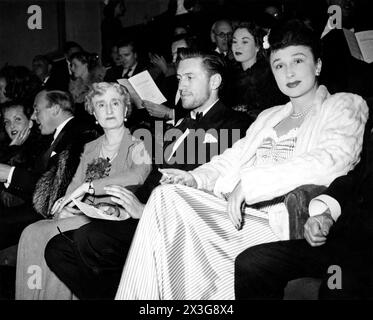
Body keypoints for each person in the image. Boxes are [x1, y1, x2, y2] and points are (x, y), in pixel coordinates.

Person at [114, 19, 368, 300]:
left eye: (298, 60)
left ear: (317, 65)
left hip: (277, 221)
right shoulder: (270, 116)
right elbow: (231, 159)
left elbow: (330, 160)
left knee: (165, 202)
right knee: (166, 194)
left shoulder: (344, 104)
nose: (289, 72)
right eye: (279, 65)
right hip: (237, 214)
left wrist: (250, 184)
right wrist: (194, 177)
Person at [43, 50, 252, 300]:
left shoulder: (236, 124)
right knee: (58, 249)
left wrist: (143, 209)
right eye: (179, 78)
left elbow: (213, 184)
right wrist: (121, 209)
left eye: (189, 78)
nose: (181, 85)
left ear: (215, 82)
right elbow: (152, 178)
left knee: (91, 239)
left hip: (180, 222)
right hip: (147, 213)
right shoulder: (179, 127)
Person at [15, 82, 151, 300]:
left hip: (113, 219)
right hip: (83, 214)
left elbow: (137, 175)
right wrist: (65, 206)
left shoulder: (139, 144)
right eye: (100, 104)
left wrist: (89, 187)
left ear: (125, 110)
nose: (108, 110)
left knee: (49, 234)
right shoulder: (90, 148)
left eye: (115, 103)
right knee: (31, 232)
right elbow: (73, 186)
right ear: (93, 113)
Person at [234, 128, 373, 300]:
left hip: (364, 258)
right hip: (344, 242)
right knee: (252, 263)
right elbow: (356, 177)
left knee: (336, 285)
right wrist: (327, 214)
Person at [0, 89, 96, 250]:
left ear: (55, 109)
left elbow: (58, 188)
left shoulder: (79, 133)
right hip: (41, 207)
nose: (33, 117)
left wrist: (10, 174)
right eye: (6, 122)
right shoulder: (54, 138)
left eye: (37, 110)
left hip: (57, 213)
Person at [223, 21, 287, 119]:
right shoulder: (229, 76)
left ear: (257, 46)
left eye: (244, 42)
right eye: (234, 41)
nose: (237, 46)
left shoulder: (268, 77)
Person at [0, 101, 47, 208]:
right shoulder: (6, 148)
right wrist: (12, 148)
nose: (11, 126)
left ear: (30, 123)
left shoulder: (40, 150)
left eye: (17, 119)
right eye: (7, 122)